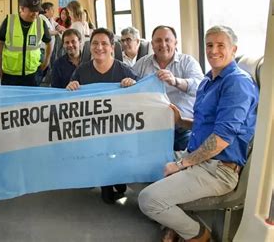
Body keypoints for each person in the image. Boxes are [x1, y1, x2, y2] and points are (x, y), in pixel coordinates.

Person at [138, 25, 259, 242]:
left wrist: (181, 164)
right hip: (197, 158)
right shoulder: (208, 80)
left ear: (234, 49)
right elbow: (205, 126)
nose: (213, 51)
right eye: (209, 45)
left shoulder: (237, 83)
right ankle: (175, 222)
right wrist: (180, 121)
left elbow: (221, 139)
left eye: (221, 45)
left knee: (147, 200)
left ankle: (199, 235)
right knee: (145, 166)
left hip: (219, 169)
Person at [66, 28, 138, 204]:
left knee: (121, 186)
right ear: (90, 47)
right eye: (95, 43)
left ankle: (116, 178)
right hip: (92, 130)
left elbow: (141, 95)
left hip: (118, 129)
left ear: (112, 47)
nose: (99, 47)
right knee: (108, 197)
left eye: (104, 43)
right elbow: (69, 102)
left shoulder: (124, 71)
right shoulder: (82, 71)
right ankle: (105, 181)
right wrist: (71, 88)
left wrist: (133, 85)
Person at [133, 25, 204, 151]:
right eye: (158, 41)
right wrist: (129, 83)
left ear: (175, 43)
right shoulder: (142, 64)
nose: (163, 44)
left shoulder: (188, 61)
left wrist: (176, 81)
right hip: (151, 128)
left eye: (167, 40)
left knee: (189, 158)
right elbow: (130, 90)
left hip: (183, 128)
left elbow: (200, 87)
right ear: (152, 44)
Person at [0, 0, 52, 86]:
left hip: (32, 74)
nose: (35, 14)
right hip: (10, 74)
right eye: (31, 10)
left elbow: (49, 42)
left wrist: (46, 61)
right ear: (21, 8)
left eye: (37, 11)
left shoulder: (40, 23)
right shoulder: (9, 21)